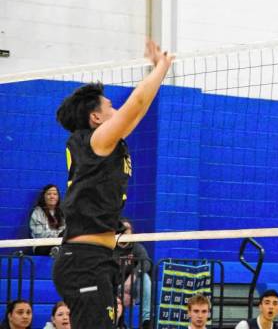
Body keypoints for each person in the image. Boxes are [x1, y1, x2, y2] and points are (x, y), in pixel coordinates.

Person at [52, 38, 174, 329]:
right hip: (84, 261)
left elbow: (137, 112)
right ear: (96, 117)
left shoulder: (103, 142)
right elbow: (137, 103)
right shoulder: (98, 140)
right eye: (110, 106)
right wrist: (161, 67)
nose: (118, 108)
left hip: (96, 259)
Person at [115, 218, 152, 328]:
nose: (125, 232)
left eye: (128, 229)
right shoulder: (111, 248)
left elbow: (146, 263)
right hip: (116, 286)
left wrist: (134, 275)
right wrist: (122, 294)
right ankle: (119, 322)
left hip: (133, 284)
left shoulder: (137, 247)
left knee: (145, 278)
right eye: (122, 229)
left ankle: (146, 320)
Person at [29, 184, 65, 255]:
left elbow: (65, 230)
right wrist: (58, 235)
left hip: (60, 242)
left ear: (58, 197)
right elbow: (39, 235)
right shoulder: (37, 212)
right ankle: (56, 250)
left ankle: (57, 249)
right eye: (49, 194)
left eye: (55, 194)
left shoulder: (61, 212)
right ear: (44, 197)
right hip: (42, 245)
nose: (52, 196)